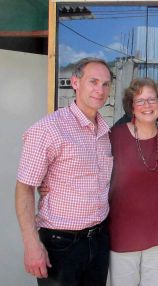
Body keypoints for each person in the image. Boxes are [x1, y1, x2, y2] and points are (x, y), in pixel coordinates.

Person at [15, 57, 113, 286]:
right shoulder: (48, 129)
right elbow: (24, 187)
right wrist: (31, 244)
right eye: (93, 81)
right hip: (61, 243)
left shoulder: (105, 133)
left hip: (98, 240)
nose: (100, 90)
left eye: (106, 84)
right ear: (75, 83)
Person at [108, 78, 158, 286]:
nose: (147, 106)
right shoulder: (115, 137)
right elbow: (89, 169)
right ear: (131, 106)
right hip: (123, 233)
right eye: (140, 101)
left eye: (152, 99)